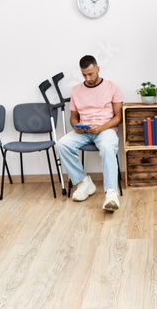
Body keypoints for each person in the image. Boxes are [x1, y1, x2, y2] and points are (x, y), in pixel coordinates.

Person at [57, 55, 123, 212]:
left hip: (105, 129)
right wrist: (76, 126)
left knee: (107, 147)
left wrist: (101, 128)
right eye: (84, 74)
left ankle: (111, 193)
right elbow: (73, 118)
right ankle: (84, 182)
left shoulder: (112, 87)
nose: (88, 78)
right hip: (84, 131)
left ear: (98, 69)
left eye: (91, 74)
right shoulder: (76, 91)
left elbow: (119, 117)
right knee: (62, 144)